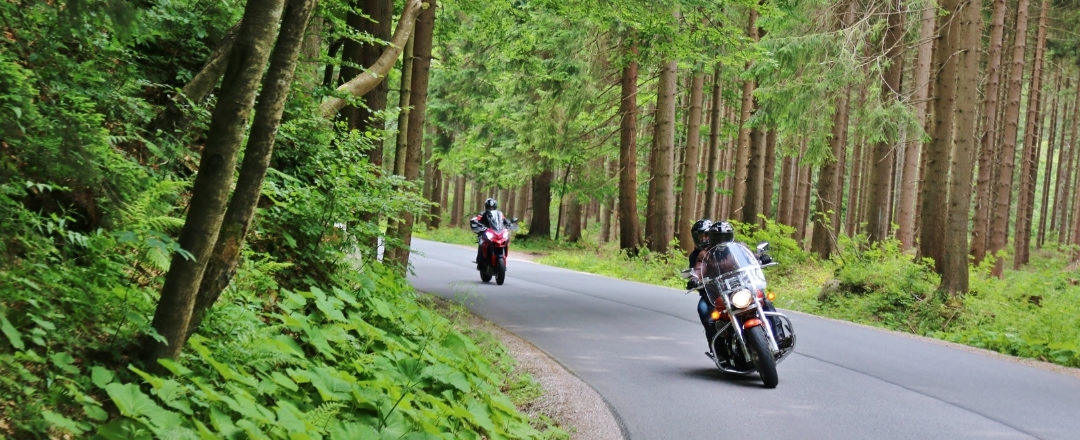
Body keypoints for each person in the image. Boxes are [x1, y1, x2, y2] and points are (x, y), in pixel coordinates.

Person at [688, 219, 715, 350]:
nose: (704, 239)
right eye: (701, 236)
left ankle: (778, 335)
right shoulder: (695, 256)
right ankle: (715, 347)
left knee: (763, 299)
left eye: (707, 235)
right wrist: (693, 280)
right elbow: (695, 272)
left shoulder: (723, 248)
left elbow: (742, 255)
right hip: (711, 294)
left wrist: (759, 258)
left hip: (734, 287)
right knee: (703, 309)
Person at [470, 198, 513, 269]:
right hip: (486, 232)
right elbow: (477, 219)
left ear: (495, 207)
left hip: (497, 232)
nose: (491, 209)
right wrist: (477, 223)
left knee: (504, 240)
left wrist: (509, 224)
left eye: (492, 207)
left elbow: (505, 221)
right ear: (486, 207)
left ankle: (501, 261)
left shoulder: (499, 214)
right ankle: (480, 262)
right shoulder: (483, 214)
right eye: (489, 207)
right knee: (481, 242)